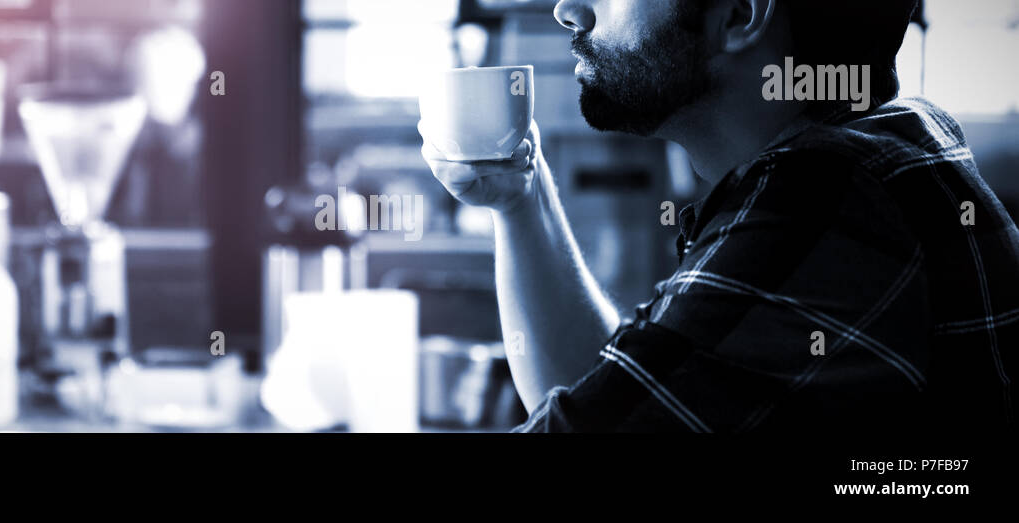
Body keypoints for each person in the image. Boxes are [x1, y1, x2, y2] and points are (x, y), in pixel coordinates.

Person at [420, 0, 1019, 432]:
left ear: (739, 14)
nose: (569, 10)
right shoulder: (882, 145)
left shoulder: (825, 199)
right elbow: (616, 397)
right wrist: (521, 197)